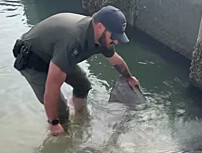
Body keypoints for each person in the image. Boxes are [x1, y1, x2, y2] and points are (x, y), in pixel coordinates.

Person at [12, 5, 139, 136]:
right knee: (61, 113)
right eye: (114, 36)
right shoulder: (74, 40)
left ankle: (80, 116)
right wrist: (53, 123)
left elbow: (115, 60)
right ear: (100, 27)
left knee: (83, 85)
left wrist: (129, 78)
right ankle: (62, 135)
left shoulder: (102, 38)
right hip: (33, 58)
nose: (116, 41)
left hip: (57, 54)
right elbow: (52, 87)